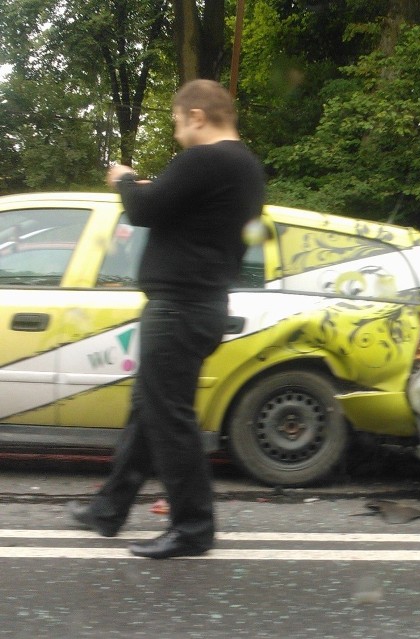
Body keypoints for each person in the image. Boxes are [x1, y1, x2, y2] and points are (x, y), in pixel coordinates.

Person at [67, 79, 266, 559]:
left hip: (179, 307)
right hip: (202, 303)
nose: (178, 134)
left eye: (178, 123)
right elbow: (190, 216)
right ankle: (108, 510)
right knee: (149, 411)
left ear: (197, 116)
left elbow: (144, 210)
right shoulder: (246, 167)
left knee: (169, 419)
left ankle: (193, 528)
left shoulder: (205, 159)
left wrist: (123, 179)